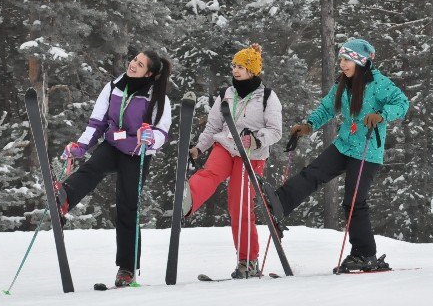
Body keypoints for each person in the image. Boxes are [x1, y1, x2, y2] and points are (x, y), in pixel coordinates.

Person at [265, 38, 409, 272]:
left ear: (360, 62)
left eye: (346, 60)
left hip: (367, 150)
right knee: (313, 172)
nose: (342, 64)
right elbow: (327, 107)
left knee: (353, 202)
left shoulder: (379, 83)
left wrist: (382, 114)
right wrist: (310, 124)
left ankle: (365, 255)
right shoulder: (343, 83)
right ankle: (279, 203)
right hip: (344, 144)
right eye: (341, 59)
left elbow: (402, 103)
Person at [57, 50, 172, 287]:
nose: (133, 65)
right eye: (134, 60)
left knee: (127, 207)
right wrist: (80, 146)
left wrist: (150, 138)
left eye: (139, 64)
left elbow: (162, 131)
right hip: (112, 144)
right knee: (92, 168)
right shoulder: (113, 87)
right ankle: (64, 198)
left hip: (136, 152)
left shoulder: (157, 97)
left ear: (149, 73)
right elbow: (97, 122)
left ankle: (127, 268)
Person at [185, 43, 283, 279]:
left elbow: (275, 131)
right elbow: (213, 126)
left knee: (239, 204)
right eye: (234, 66)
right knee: (210, 172)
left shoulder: (268, 97)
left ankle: (248, 260)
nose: (236, 70)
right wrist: (200, 147)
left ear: (253, 70)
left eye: (241, 66)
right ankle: (188, 198)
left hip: (251, 154)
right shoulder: (226, 94)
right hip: (226, 145)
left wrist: (257, 140)